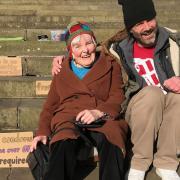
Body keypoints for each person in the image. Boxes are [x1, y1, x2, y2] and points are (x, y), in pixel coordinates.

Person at [52, 0, 180, 180]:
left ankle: (166, 162)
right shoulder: (117, 48)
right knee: (153, 93)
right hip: (140, 110)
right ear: (130, 28)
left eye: (150, 20)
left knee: (178, 98)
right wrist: (64, 60)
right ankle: (139, 162)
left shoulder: (174, 40)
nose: (147, 27)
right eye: (139, 24)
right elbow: (86, 51)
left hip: (170, 110)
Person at [31, 21, 128, 180]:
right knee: (62, 142)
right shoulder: (62, 70)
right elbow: (50, 105)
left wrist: (99, 112)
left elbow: (117, 96)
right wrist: (42, 131)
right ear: (70, 51)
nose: (85, 50)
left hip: (102, 116)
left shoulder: (110, 64)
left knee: (113, 139)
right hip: (69, 117)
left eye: (89, 43)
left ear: (95, 43)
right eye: (77, 46)